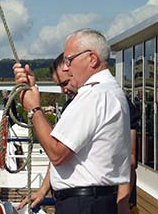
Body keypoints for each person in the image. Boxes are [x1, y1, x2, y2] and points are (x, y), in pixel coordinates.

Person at [13, 28, 130, 214]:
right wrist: (32, 88)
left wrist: (34, 109)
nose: (66, 67)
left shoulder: (94, 96)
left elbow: (57, 153)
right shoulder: (108, 92)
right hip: (93, 201)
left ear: (92, 59)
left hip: (83, 204)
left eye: (69, 60)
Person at [17, 52, 77, 210]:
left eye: (65, 83)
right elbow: (58, 147)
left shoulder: (94, 102)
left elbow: (129, 159)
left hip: (82, 200)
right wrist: (43, 191)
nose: (63, 90)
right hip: (67, 198)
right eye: (60, 85)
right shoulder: (71, 106)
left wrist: (34, 109)